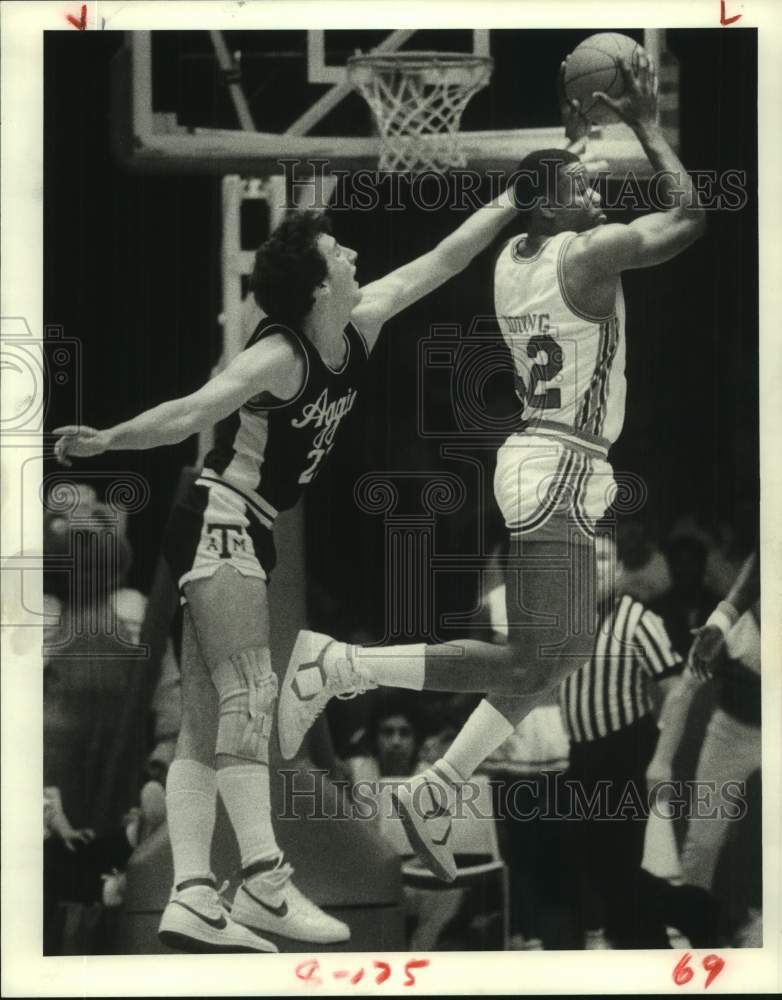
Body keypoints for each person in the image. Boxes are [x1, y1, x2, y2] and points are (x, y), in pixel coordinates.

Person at [53, 183, 527, 951]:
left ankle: (192, 893)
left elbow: (445, 258)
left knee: (204, 721)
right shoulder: (277, 356)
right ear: (315, 285)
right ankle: (264, 881)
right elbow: (190, 412)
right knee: (252, 697)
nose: (353, 253)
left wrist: (511, 197)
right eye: (338, 250)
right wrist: (109, 440)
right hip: (222, 516)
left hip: (244, 525)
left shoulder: (363, 320)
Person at [278, 52, 707, 883]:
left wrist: (567, 147)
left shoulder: (514, 259)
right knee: (529, 661)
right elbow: (689, 217)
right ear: (549, 207)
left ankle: (436, 787)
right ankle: (340, 666)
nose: (595, 189)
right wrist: (647, 126)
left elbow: (534, 197)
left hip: (550, 458)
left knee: (563, 654)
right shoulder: (589, 256)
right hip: (557, 463)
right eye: (579, 187)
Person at [558, 525, 682, 949]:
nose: (594, 567)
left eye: (603, 558)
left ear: (620, 569)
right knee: (593, 869)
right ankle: (631, 945)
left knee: (620, 869)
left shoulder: (639, 621)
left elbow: (676, 691)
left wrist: (661, 758)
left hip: (626, 752)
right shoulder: (565, 622)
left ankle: (653, 953)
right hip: (582, 755)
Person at [645, 550, 761, 945]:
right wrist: (661, 760)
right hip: (732, 733)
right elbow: (683, 691)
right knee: (703, 840)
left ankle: (759, 924)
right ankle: (689, 926)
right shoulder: (728, 629)